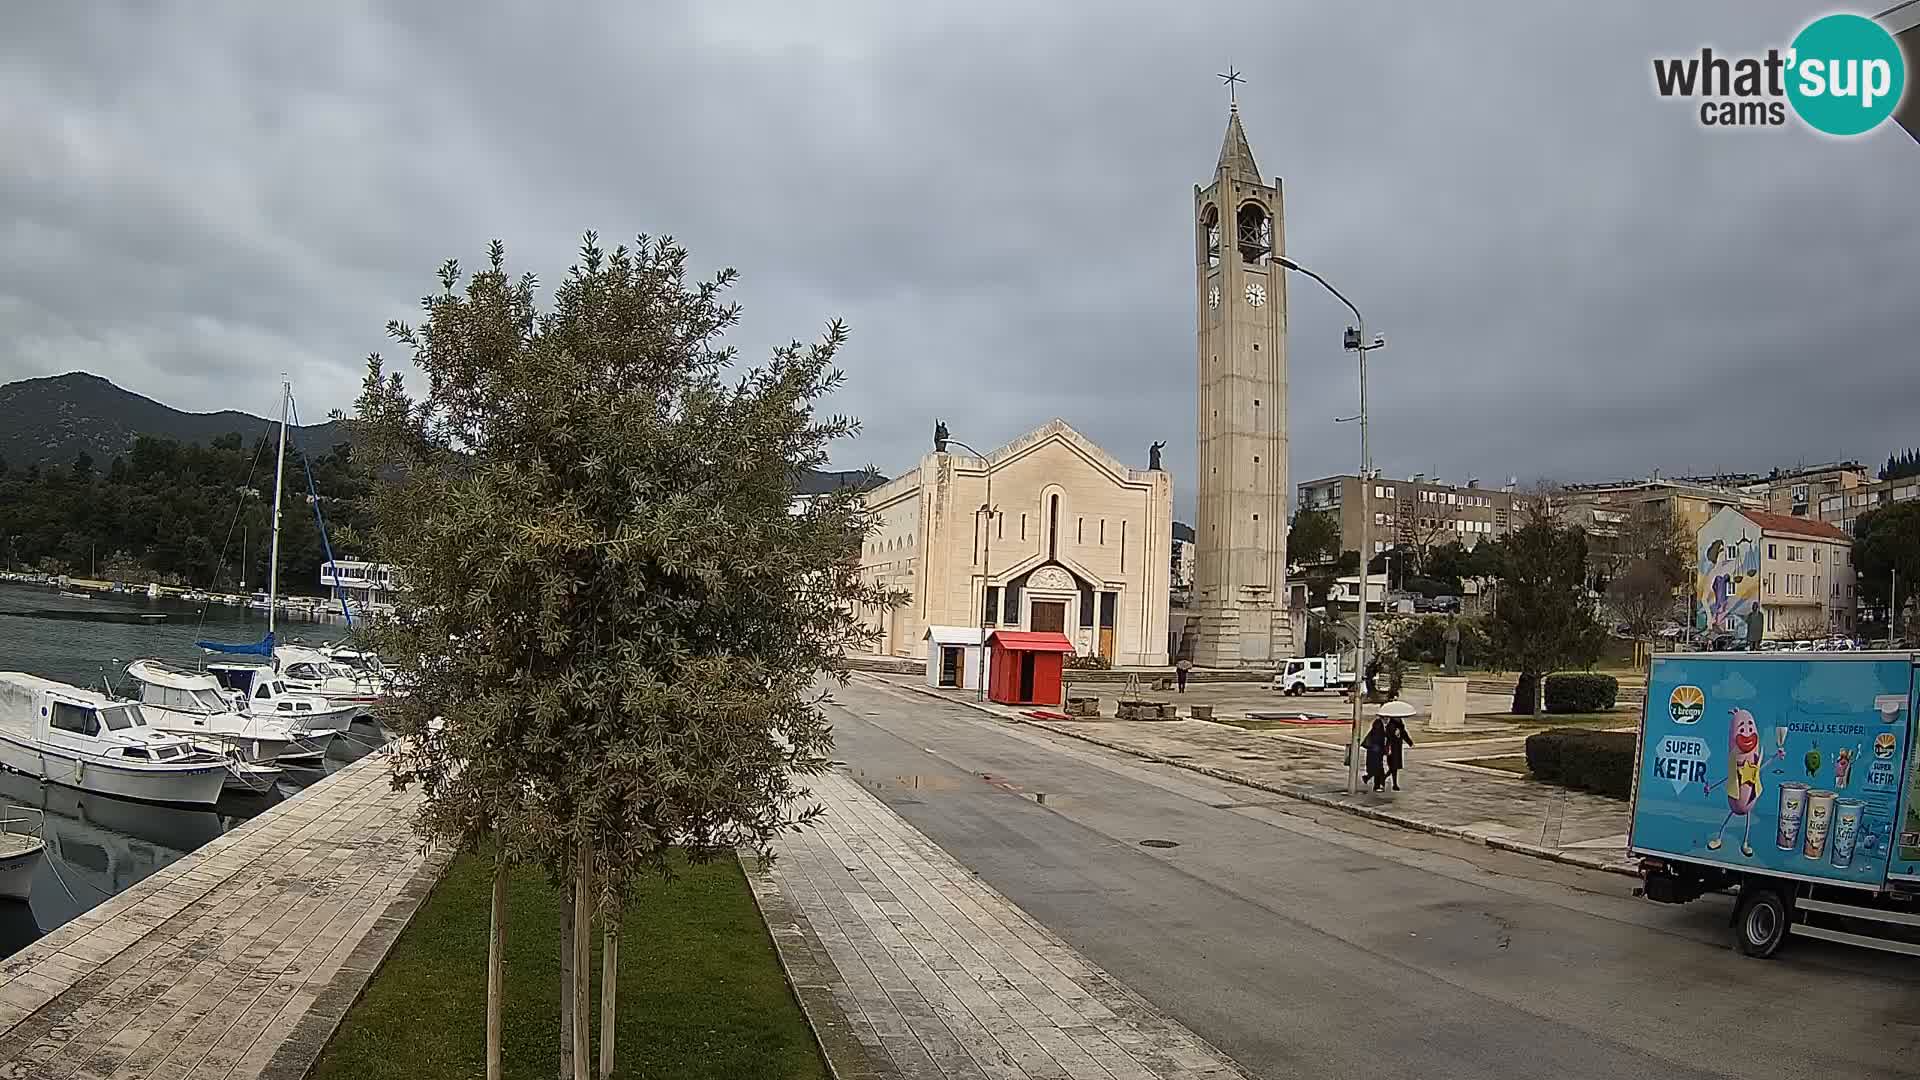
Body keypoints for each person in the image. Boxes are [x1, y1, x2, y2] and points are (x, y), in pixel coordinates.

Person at [1382, 713, 1416, 791]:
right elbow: (1387, 735)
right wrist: (1395, 734)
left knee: (1395, 767)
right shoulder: (1389, 725)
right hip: (1391, 748)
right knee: (1393, 766)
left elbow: (1404, 734)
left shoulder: (1400, 724)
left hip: (1397, 748)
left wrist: (1410, 742)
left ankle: (1392, 783)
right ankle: (1387, 780)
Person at [1360, 717, 1388, 791]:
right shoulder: (1378, 724)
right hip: (1375, 750)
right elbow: (1378, 737)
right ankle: (1377, 785)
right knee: (1378, 768)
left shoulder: (1380, 724)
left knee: (1377, 768)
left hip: (1375, 750)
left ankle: (1372, 780)